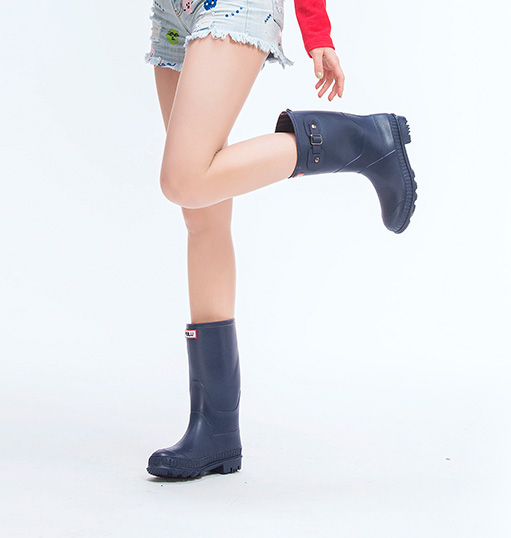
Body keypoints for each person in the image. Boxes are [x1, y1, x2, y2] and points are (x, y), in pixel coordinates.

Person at [143, 0, 417, 479]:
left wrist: (318, 31)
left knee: (184, 178)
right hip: (172, 12)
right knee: (203, 213)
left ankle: (358, 141)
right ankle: (216, 431)